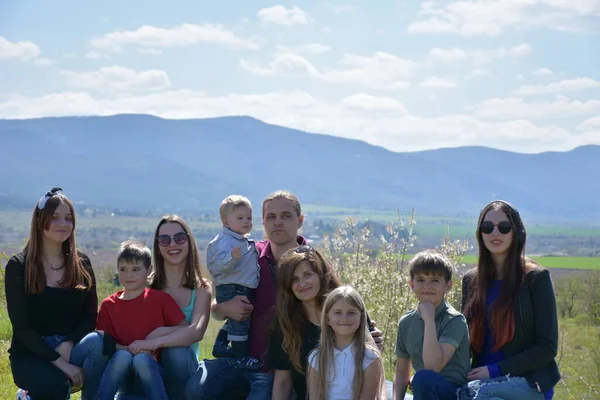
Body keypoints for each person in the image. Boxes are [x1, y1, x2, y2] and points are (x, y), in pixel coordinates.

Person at [184, 190, 384, 400]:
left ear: (299, 220)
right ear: (263, 221)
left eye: (286, 216)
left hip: (298, 366)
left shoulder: (313, 262)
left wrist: (368, 334)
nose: (277, 222)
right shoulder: (248, 256)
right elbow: (218, 307)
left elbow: (341, 299)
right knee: (197, 389)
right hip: (247, 359)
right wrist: (224, 308)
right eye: (271, 217)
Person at [5, 187, 108, 400]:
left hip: (71, 346)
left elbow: (90, 316)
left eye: (68, 218)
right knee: (57, 386)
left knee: (100, 342)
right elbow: (22, 327)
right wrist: (60, 362)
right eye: (55, 218)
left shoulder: (82, 263)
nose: (63, 224)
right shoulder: (19, 266)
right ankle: (27, 396)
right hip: (31, 353)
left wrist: (69, 344)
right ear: (40, 221)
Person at [459, 200, 560, 400]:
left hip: (527, 382)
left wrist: (495, 370)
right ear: (481, 234)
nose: (495, 233)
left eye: (504, 227)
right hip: (477, 381)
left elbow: (547, 347)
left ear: (516, 232)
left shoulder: (536, 279)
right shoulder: (471, 281)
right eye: (487, 227)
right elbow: (462, 339)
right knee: (429, 383)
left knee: (476, 394)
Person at [125, 215, 212, 400]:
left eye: (179, 238)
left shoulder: (202, 288)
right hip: (148, 365)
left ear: (189, 241)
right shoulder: (144, 285)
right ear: (157, 246)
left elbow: (196, 332)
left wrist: (156, 339)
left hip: (183, 370)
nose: (172, 244)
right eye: (164, 240)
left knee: (176, 352)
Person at [96, 240, 187, 400]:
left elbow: (184, 328)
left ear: (149, 270)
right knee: (122, 357)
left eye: (136, 269)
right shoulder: (108, 305)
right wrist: (127, 349)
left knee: (142, 359)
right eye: (123, 269)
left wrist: (159, 334)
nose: (129, 275)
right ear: (117, 270)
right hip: (122, 374)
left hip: (153, 371)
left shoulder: (160, 299)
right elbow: (105, 342)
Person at [394, 250, 471, 400]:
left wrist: (429, 320)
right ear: (412, 285)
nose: (427, 286)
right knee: (422, 380)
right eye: (421, 280)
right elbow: (402, 372)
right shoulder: (406, 322)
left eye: (435, 280)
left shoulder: (455, 321)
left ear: (448, 286)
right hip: (425, 391)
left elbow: (433, 367)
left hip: (456, 392)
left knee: (423, 378)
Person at [269, 245, 342, 400]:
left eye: (307, 275)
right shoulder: (284, 325)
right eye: (294, 279)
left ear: (321, 273)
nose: (302, 284)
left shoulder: (347, 310)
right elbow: (282, 382)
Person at [206, 195, 260, 369]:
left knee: (237, 319)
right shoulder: (225, 241)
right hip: (232, 288)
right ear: (226, 222)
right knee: (240, 321)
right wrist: (231, 257)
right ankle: (241, 358)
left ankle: (220, 344)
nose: (246, 221)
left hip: (239, 286)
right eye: (240, 218)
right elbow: (218, 263)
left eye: (249, 218)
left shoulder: (240, 240)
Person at [307, 285, 385, 400]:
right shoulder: (316, 358)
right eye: (338, 312)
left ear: (361, 317)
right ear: (328, 319)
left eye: (351, 312)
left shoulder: (370, 358)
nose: (345, 318)